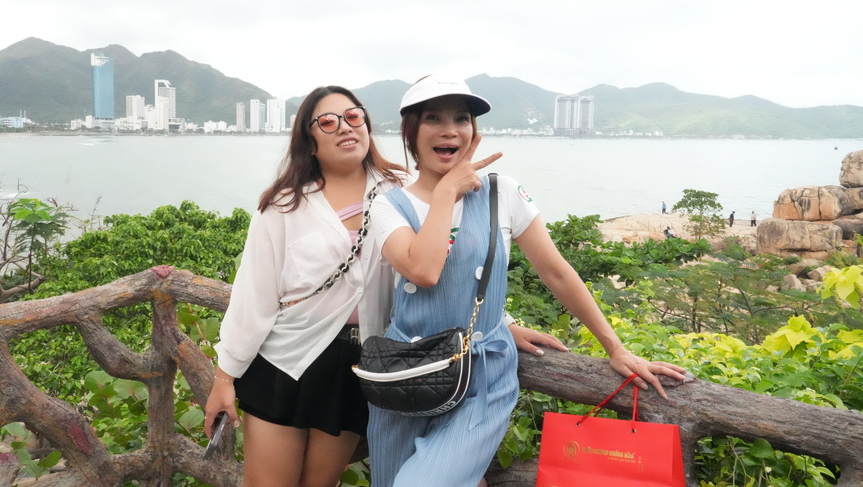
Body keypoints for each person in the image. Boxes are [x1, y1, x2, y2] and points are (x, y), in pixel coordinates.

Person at [366, 75, 686, 487]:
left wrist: (615, 347)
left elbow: (556, 272)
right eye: (433, 119)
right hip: (407, 372)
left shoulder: (502, 193)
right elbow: (424, 271)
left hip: (481, 376)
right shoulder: (387, 205)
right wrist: (446, 192)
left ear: (473, 131)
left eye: (461, 119)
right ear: (411, 131)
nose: (450, 130)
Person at [204, 86, 408, 487]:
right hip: (286, 360)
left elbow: (439, 266)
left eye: (353, 116)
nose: (344, 127)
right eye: (328, 122)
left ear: (366, 125)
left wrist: (502, 322)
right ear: (310, 142)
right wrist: (224, 378)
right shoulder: (284, 205)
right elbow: (254, 297)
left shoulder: (401, 192)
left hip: (356, 367)